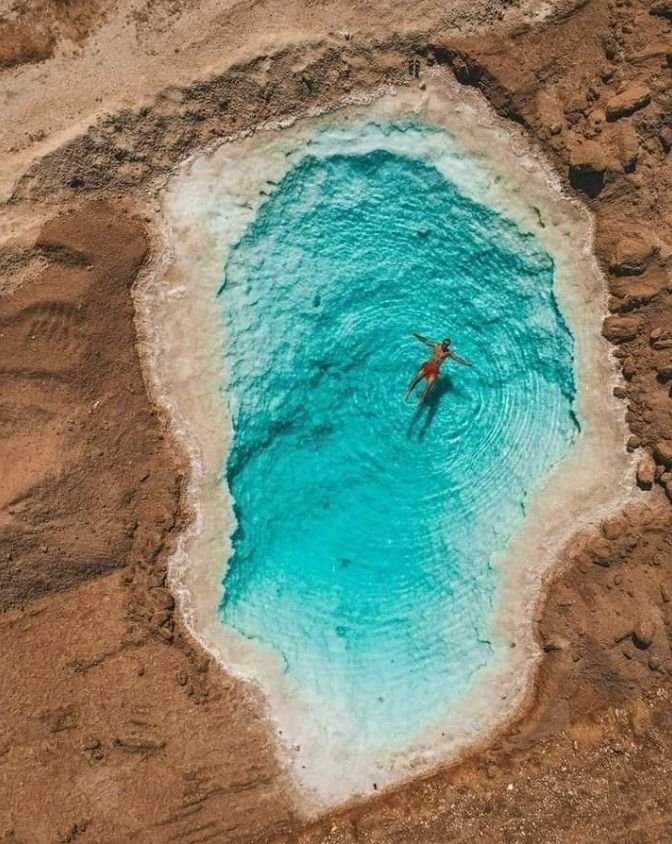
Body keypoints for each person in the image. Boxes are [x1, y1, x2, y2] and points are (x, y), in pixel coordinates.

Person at [405, 333, 472, 405]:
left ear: (448, 345)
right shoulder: (436, 345)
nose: (445, 345)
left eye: (447, 345)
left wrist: (466, 363)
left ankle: (420, 401)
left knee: (428, 387)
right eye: (444, 343)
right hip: (427, 365)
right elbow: (426, 341)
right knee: (416, 379)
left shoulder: (448, 353)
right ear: (442, 342)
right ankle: (408, 392)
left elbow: (457, 359)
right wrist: (417, 336)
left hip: (434, 370)